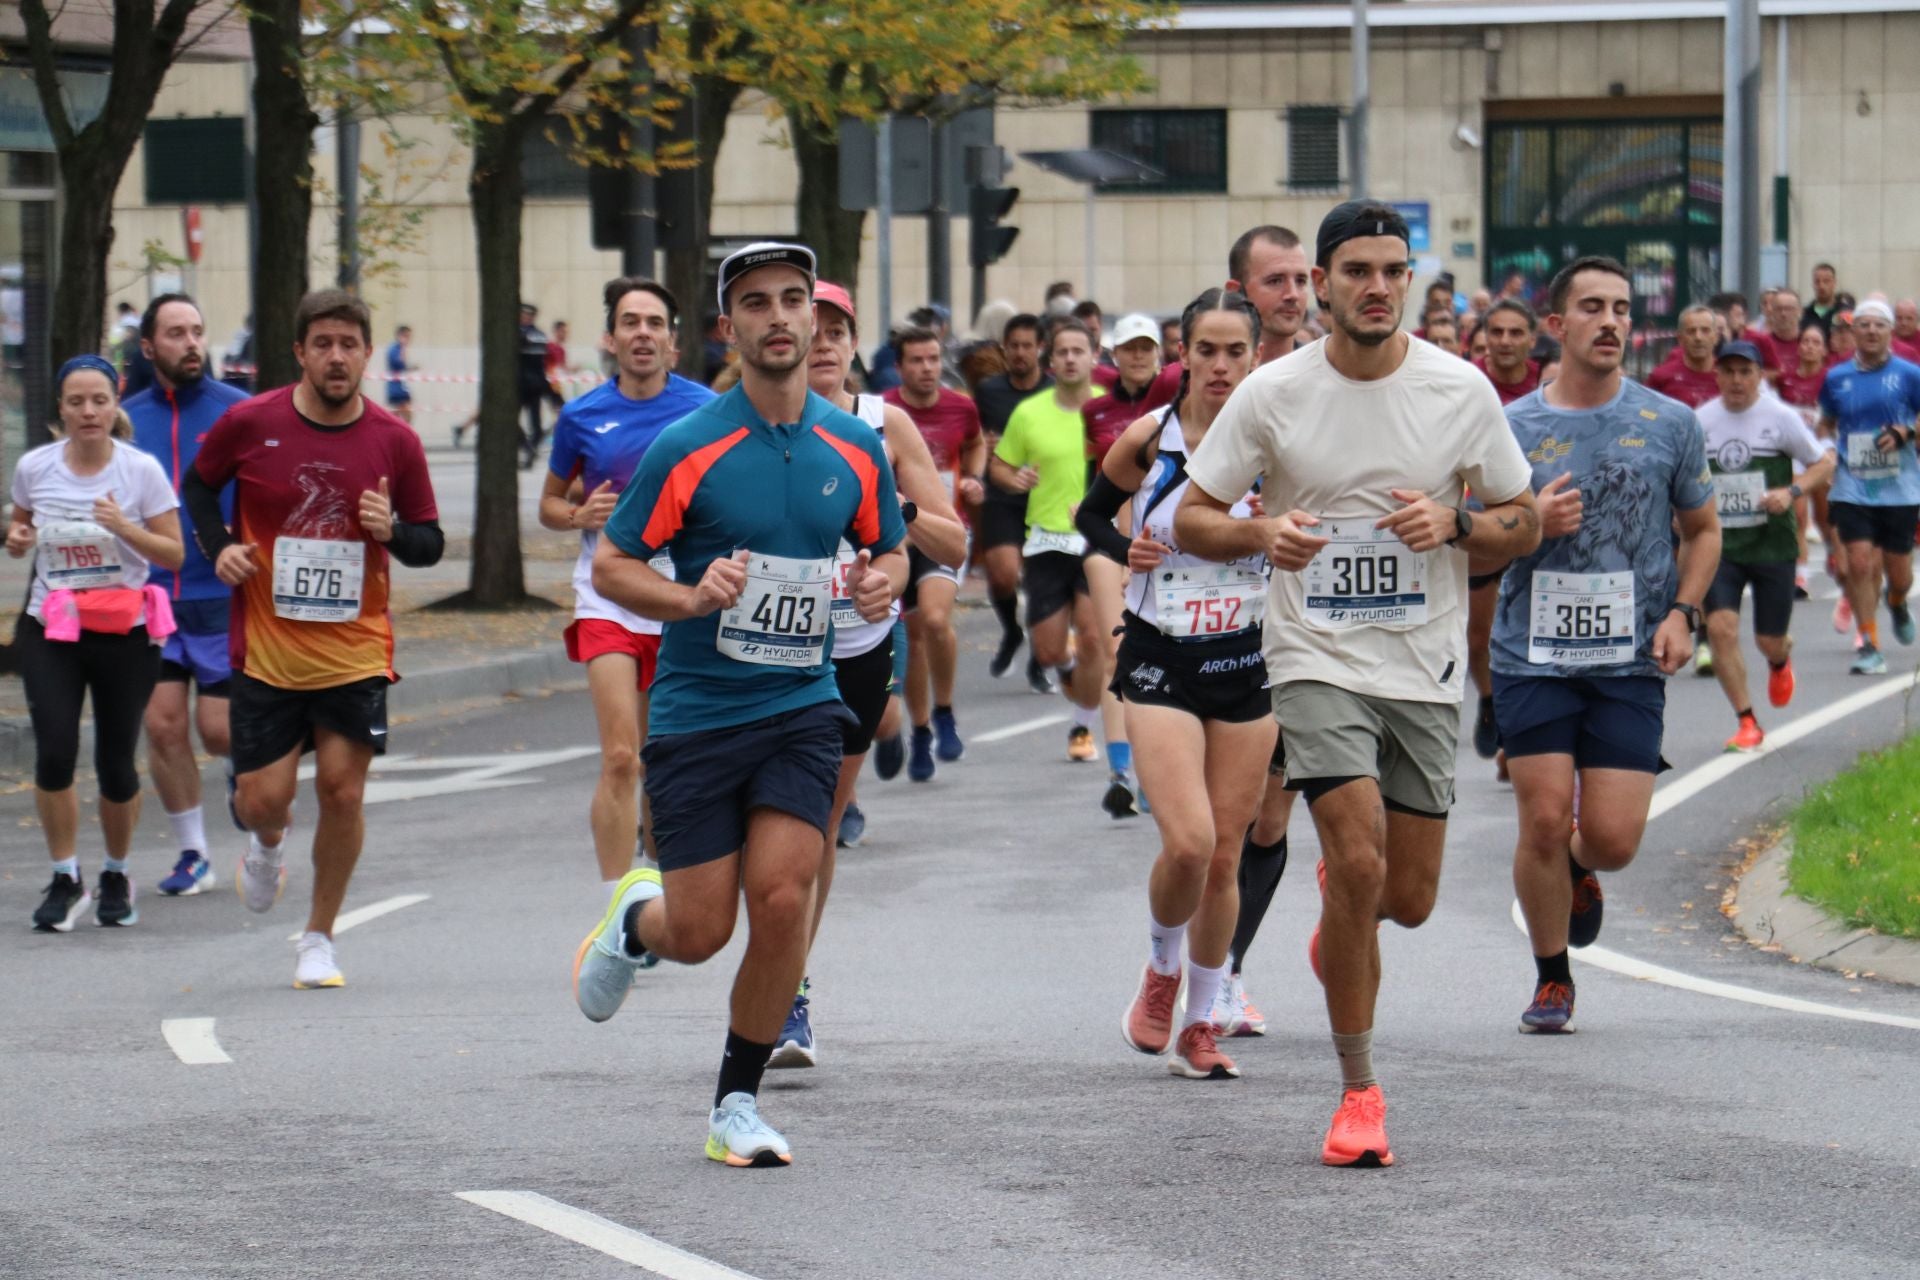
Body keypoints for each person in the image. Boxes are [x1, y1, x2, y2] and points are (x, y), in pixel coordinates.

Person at [1176, 201, 1540, 1166]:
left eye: (1393, 270)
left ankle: (1347, 907)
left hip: (1421, 665)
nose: (1376, 287)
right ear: (1322, 286)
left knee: (1404, 899)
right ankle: (1359, 1094)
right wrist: (1262, 534)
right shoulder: (1272, 392)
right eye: (1356, 272)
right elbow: (1192, 517)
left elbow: (1524, 518)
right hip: (1313, 656)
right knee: (1360, 854)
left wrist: (1457, 528)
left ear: (1407, 282)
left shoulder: (1458, 390)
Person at [571, 242, 908, 1168]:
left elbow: (891, 547)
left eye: (793, 300)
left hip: (803, 701)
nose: (778, 317)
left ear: (815, 319)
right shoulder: (689, 446)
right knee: (699, 932)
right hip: (697, 712)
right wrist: (688, 598)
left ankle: (735, 1105)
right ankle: (636, 919)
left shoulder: (857, 444)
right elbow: (614, 562)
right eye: (755, 303)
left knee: (785, 895)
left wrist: (881, 582)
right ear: (730, 329)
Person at [183, 289, 444, 989]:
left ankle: (318, 938)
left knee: (343, 792)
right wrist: (220, 549)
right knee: (259, 801)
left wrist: (392, 531)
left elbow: (430, 543)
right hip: (268, 651)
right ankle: (267, 845)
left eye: (349, 344)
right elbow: (198, 487)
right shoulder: (250, 422)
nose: (337, 357)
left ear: (366, 352)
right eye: (322, 344)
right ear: (300, 352)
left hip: (354, 650)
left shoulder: (395, 440)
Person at [1490, 256, 1719, 1035]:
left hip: (1629, 660)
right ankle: (1552, 977)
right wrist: (1528, 526)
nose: (1611, 321)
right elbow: (1475, 543)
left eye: (1621, 308)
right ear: (1557, 326)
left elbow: (1704, 529)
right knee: (1544, 820)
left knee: (1612, 841)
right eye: (1592, 307)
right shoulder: (1510, 429)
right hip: (1533, 655)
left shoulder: (1671, 424)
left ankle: (1582, 872)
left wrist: (1683, 612)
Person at [1079, 289, 1273, 1079]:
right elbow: (1089, 517)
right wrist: (1129, 553)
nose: (1221, 366)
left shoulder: (1276, 446)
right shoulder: (1150, 437)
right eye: (1207, 351)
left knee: (1225, 857)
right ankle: (1161, 967)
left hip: (1247, 662)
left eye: (1236, 352)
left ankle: (1201, 1023)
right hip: (1161, 658)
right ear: (1182, 355)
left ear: (1256, 357)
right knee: (1188, 843)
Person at [776, 279, 965, 1068]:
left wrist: (894, 511)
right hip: (763, 650)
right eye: (809, 327)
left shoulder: (882, 425)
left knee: (814, 830)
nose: (821, 342)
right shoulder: (747, 418)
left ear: (854, 344)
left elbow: (953, 546)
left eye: (836, 330)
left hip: (851, 649)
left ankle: (787, 995)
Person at [540, 277, 716, 905]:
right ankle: (617, 909)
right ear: (610, 339)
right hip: (608, 598)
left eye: (654, 323)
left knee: (661, 761)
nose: (643, 333)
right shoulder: (582, 415)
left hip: (677, 602)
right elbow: (551, 505)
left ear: (673, 340)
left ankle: (655, 874)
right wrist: (577, 517)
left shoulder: (703, 411)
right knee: (621, 757)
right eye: (630, 322)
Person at [10, 356, 184, 931]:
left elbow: (174, 553)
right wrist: (14, 538)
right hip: (52, 627)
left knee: (115, 762)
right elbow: (20, 529)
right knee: (55, 750)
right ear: (60, 408)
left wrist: (124, 528)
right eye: (76, 401)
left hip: (124, 632)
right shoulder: (35, 466)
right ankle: (66, 877)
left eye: (99, 401)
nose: (88, 412)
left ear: (116, 404)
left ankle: (115, 871)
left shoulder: (141, 472)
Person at [124, 294, 249, 896]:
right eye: (176, 333)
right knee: (163, 725)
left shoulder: (239, 413)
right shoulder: (125, 420)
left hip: (219, 594)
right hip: (150, 597)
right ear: (149, 347)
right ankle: (193, 852)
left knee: (220, 730)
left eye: (197, 330)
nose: (191, 342)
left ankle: (240, 779)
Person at [1697, 339, 1835, 750]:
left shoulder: (1780, 417)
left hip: (1772, 543)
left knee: (1768, 639)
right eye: (1729, 372)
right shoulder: (1699, 421)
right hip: (1719, 545)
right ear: (1717, 375)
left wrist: (1791, 492)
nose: (1737, 381)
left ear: (1759, 376)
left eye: (1746, 372)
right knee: (1720, 629)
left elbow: (1824, 462)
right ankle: (1746, 721)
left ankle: (1779, 659)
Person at [990, 319, 1109, 764]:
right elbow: (1000, 466)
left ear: (1095, 357)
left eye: (1080, 350)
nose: (1071, 358)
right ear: (1051, 359)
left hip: (1096, 540)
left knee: (1095, 637)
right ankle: (1068, 670)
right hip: (1044, 542)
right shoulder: (1030, 413)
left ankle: (1082, 726)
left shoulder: (1107, 408)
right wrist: (1014, 477)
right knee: (1049, 650)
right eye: (1063, 352)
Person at [884, 325, 986, 780]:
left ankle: (944, 710)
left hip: (942, 529)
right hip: (895, 538)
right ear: (901, 366)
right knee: (914, 633)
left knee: (935, 618)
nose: (926, 368)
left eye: (932, 359)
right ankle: (921, 727)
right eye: (916, 361)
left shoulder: (960, 407)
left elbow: (976, 442)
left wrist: (973, 478)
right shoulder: (883, 411)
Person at [1081, 313, 1170, 816]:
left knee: (1165, 658)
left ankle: (1157, 767)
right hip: (1111, 541)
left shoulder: (1177, 414)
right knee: (1116, 650)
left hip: (1168, 548)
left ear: (1160, 355)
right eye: (1129, 349)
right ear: (1114, 356)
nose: (1138, 357)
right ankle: (1121, 771)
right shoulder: (1095, 412)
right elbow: (1089, 479)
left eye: (1146, 348)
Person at [1816, 297, 1920, 675]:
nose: (1872, 331)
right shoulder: (1836, 377)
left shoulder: (1910, 374)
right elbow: (1825, 423)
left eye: (1879, 325)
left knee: (1900, 574)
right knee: (1858, 563)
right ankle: (1870, 645)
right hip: (1852, 484)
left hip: (1900, 486)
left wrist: (1906, 430)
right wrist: (1826, 450)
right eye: (1864, 325)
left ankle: (1896, 602)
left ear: (1890, 331)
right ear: (1853, 332)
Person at [1464, 298, 1546, 774]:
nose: (1506, 341)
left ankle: (1516, 737)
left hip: (1535, 520)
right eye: (1497, 332)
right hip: (1483, 523)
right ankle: (1492, 702)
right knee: (1481, 639)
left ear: (1531, 339)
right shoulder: (1467, 383)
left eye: (1517, 333)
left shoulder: (1545, 382)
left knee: (1529, 633)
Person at [972, 313, 1054, 693]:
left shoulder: (1056, 391)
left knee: (1041, 585)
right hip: (1002, 495)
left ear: (1040, 348)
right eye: (1014, 346)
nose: (1020, 353)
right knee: (1003, 574)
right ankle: (1011, 632)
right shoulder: (989, 391)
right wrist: (983, 447)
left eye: (1027, 345)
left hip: (1046, 497)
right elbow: (974, 436)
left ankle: (1040, 661)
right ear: (1005, 349)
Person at [1645, 305, 1722, 409]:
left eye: (1705, 330)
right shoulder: (1661, 376)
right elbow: (1644, 413)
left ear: (1716, 337)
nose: (1698, 337)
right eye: (1691, 331)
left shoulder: (1728, 376)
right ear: (1680, 339)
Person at [517, 303, 551, 469]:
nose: (526, 317)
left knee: (513, 422)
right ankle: (529, 449)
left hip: (522, 383)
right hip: (537, 383)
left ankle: (528, 448)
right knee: (535, 424)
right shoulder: (540, 335)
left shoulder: (518, 335)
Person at [384, 325, 414, 425]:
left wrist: (412, 368)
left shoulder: (400, 348)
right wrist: (403, 350)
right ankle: (404, 435)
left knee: (400, 414)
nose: (408, 339)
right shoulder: (395, 349)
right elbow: (397, 363)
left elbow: (402, 367)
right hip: (396, 387)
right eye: (406, 336)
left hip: (402, 386)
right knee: (404, 413)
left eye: (409, 337)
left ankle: (401, 434)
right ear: (399, 335)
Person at [1802, 263, 1840, 337]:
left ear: (1834, 283)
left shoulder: (1843, 312)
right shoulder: (1804, 314)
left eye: (1826, 281)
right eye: (1817, 282)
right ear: (1813, 284)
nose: (1821, 286)